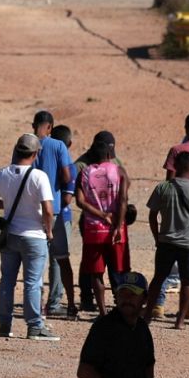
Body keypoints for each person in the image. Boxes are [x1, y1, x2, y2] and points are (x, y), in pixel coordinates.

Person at [0, 132, 60, 340]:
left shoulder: (2, 174)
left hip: (10, 236)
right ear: (35, 154)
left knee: (7, 280)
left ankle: (4, 325)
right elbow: (47, 208)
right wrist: (49, 230)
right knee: (33, 282)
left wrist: (7, 206)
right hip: (34, 236)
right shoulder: (39, 176)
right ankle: (34, 326)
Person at [28, 110, 77, 319]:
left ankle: (37, 306)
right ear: (50, 127)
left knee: (34, 260)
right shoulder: (58, 146)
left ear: (33, 125)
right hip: (54, 212)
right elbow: (67, 177)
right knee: (60, 260)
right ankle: (63, 303)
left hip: (30, 211)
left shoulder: (25, 144)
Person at [77, 130, 130, 316]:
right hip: (116, 229)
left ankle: (102, 312)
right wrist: (116, 225)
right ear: (109, 154)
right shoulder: (119, 171)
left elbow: (80, 201)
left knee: (96, 273)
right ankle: (122, 308)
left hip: (93, 230)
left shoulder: (84, 172)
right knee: (120, 270)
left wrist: (100, 214)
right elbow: (123, 200)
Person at [77, 271, 154, 378]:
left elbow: (149, 367)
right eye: (122, 293)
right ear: (116, 296)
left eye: (133, 294)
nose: (127, 299)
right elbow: (84, 371)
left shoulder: (142, 328)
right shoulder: (104, 327)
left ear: (144, 299)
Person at [146, 149, 189, 328]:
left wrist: (157, 237)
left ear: (175, 167)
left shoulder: (163, 187)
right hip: (188, 244)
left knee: (158, 279)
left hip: (165, 242)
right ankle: (180, 321)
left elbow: (152, 215)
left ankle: (148, 316)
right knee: (187, 281)